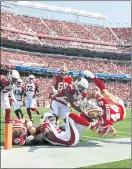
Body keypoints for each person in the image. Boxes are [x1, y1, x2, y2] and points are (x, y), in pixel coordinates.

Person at [83, 70, 126, 137]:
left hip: (119, 113)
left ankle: (93, 76)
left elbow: (112, 133)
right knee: (106, 93)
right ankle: (93, 76)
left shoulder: (104, 121)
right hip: (120, 108)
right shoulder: (105, 104)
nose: (94, 115)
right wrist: (85, 100)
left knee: (105, 93)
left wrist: (97, 126)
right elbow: (95, 93)